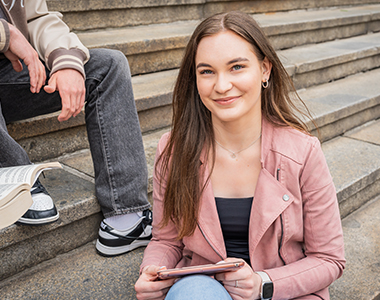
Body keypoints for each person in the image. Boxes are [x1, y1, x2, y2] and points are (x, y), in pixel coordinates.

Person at [134, 11, 345, 300]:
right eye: (207, 71)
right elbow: (166, 240)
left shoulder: (303, 151)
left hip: (283, 292)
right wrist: (153, 271)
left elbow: (329, 259)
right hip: (204, 288)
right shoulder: (173, 151)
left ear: (265, 70)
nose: (221, 86)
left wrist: (263, 283)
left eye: (236, 67)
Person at [0, 0, 152, 256]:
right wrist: (0, 33)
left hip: (0, 75)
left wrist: (67, 62)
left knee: (108, 65)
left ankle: (127, 218)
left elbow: (37, 18)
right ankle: (15, 176)